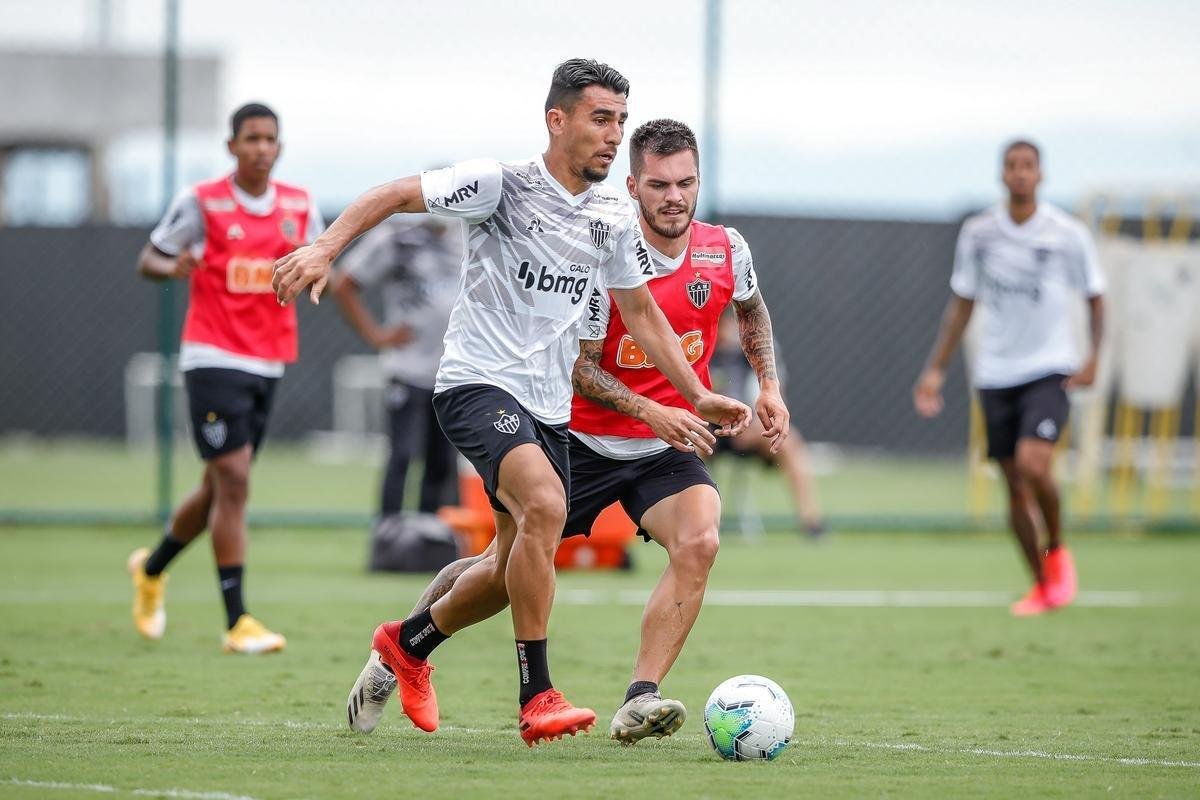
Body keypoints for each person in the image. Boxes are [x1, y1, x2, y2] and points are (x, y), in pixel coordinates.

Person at [272, 60, 751, 746]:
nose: (614, 135)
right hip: (475, 384)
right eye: (600, 119)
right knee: (548, 507)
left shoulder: (612, 216)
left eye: (620, 120)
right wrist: (324, 246)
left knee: (506, 570)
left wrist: (698, 392)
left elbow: (642, 312)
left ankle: (405, 646)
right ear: (557, 120)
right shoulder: (500, 185)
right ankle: (538, 695)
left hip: (546, 406)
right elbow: (393, 193)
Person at [127, 102, 325, 652]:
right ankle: (237, 621)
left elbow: (319, 257)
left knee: (219, 486)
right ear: (232, 146)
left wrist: (318, 273)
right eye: (252, 138)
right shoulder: (202, 201)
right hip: (212, 355)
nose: (262, 147)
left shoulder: (299, 206)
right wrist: (175, 266)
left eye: (270, 139)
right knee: (235, 479)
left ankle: (152, 568)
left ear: (279, 148)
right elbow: (150, 258)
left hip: (268, 358)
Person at [913, 139, 1105, 616]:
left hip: (1049, 368)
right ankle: (1041, 584)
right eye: (1012, 167)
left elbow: (1095, 296)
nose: (1020, 174)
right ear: (1002, 175)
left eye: (1028, 166)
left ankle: (1056, 547)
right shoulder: (979, 233)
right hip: (996, 373)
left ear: (1041, 174)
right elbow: (963, 303)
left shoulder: (1066, 233)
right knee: (1014, 484)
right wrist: (935, 369)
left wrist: (1094, 358)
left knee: (1036, 464)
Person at [331, 215, 461, 515]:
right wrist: (375, 335)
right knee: (402, 454)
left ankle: (431, 538)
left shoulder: (470, 235)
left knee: (441, 462)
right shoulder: (397, 237)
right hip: (408, 368)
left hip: (453, 372)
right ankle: (389, 535)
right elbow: (343, 283)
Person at [709, 312, 826, 537]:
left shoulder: (760, 346)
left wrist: (757, 427)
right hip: (710, 429)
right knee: (688, 444)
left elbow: (776, 397)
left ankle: (811, 523)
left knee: (790, 443)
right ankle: (701, 522)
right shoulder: (700, 344)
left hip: (753, 429)